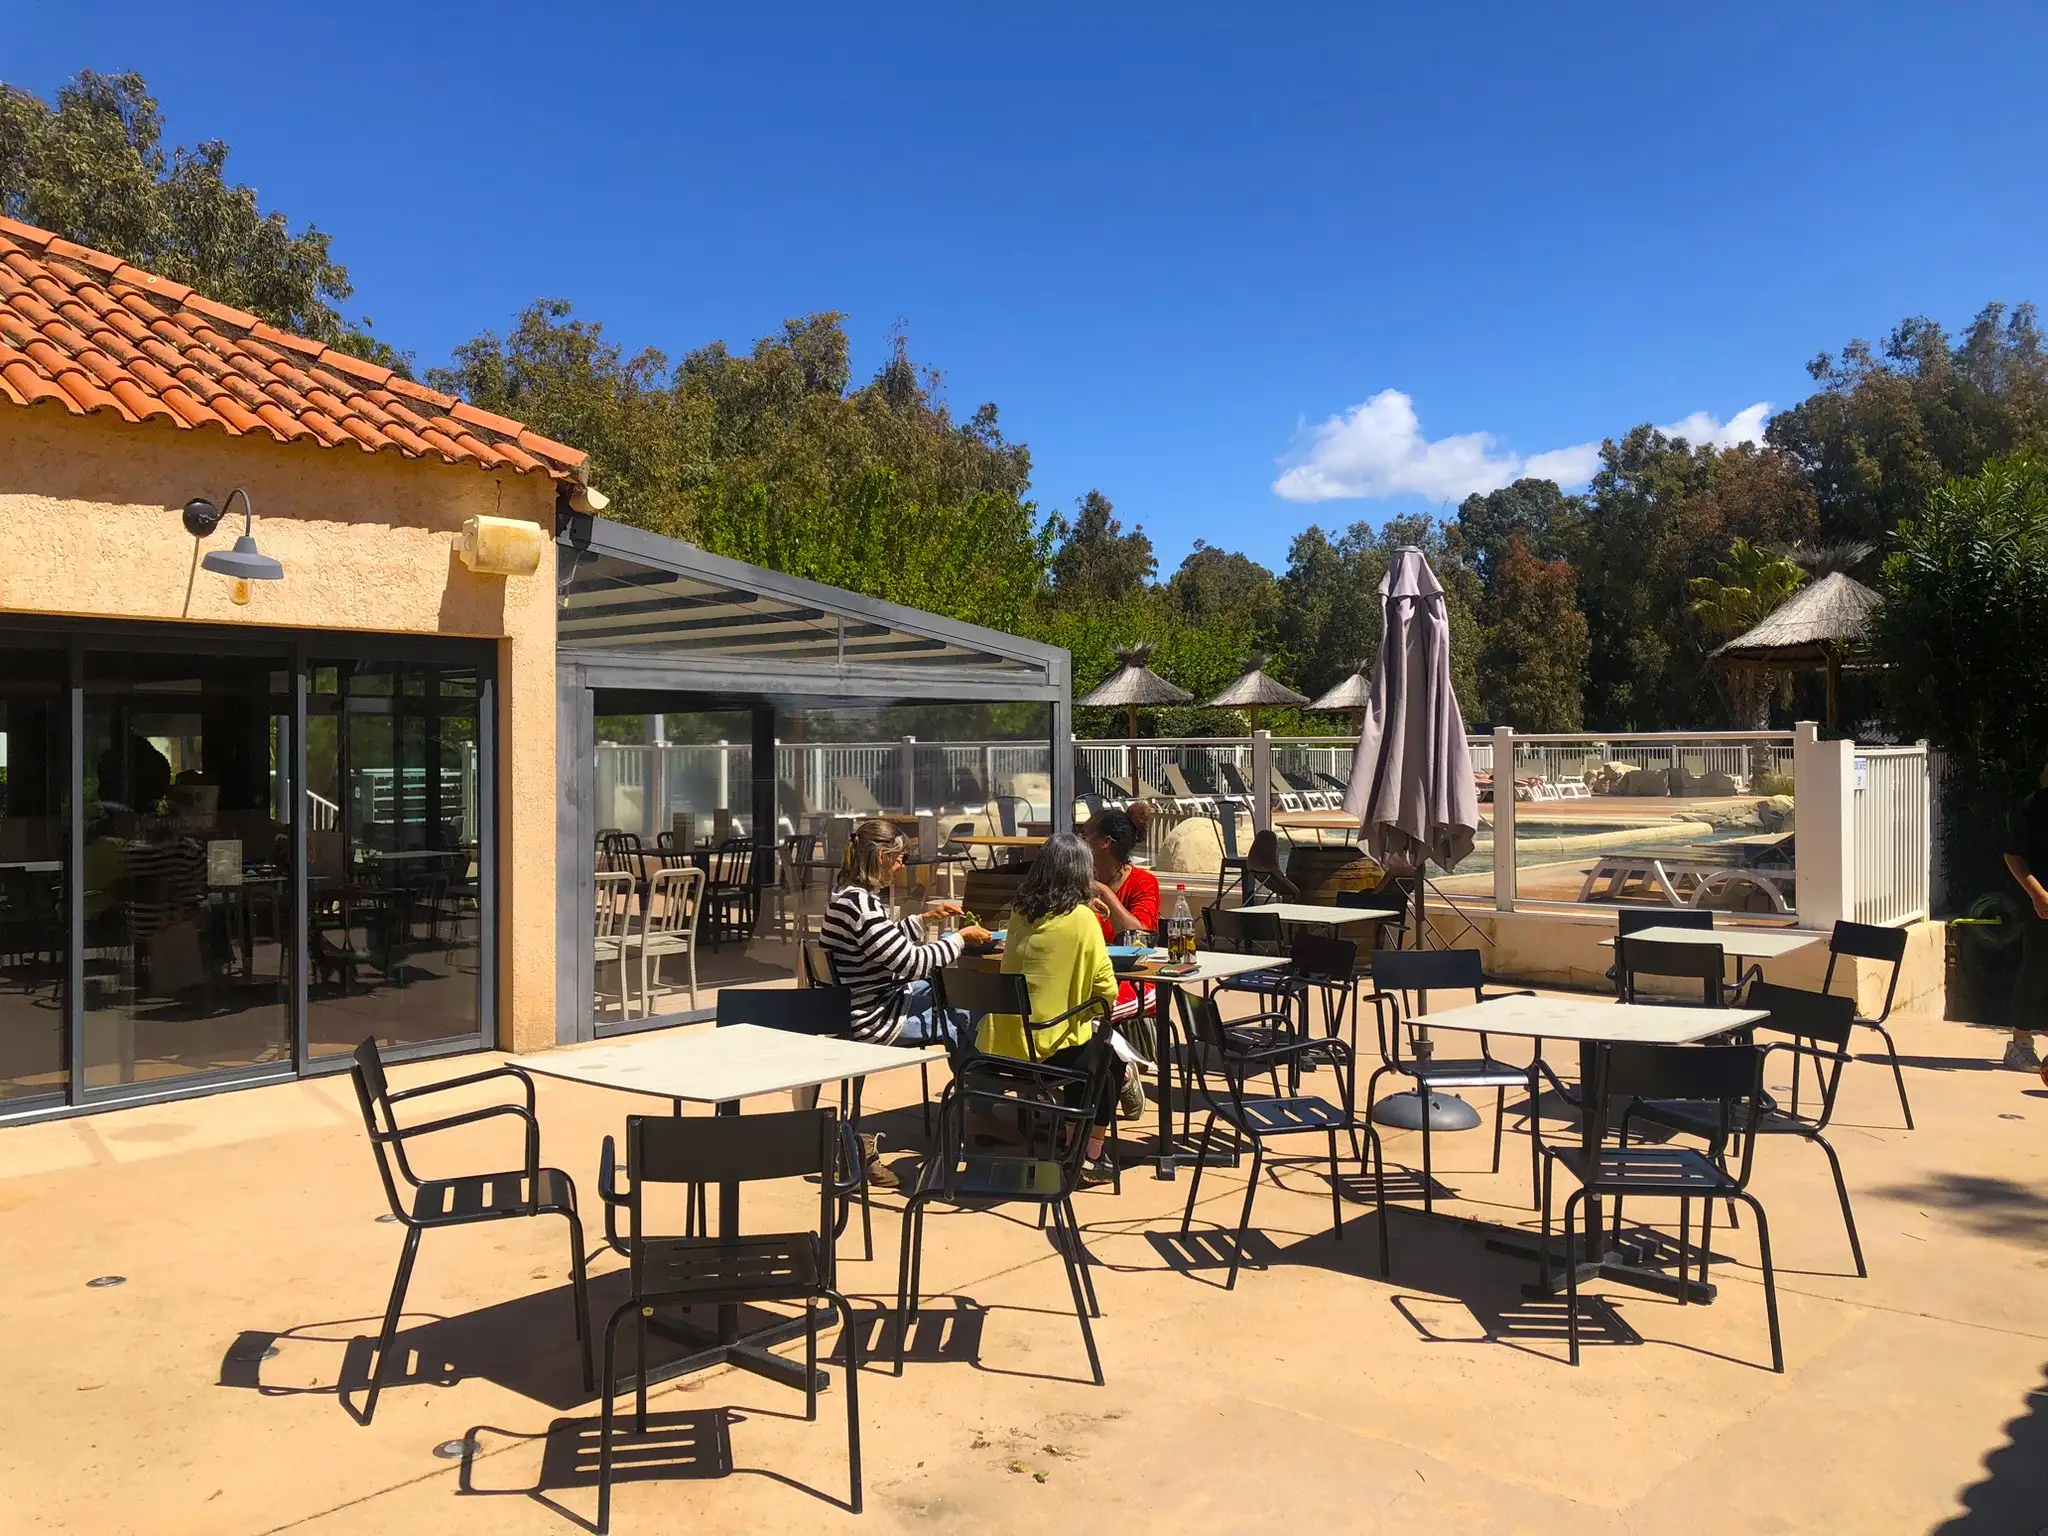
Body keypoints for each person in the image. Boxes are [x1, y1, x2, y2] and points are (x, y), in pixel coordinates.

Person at [820, 819, 989, 1188]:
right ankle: (976, 1108)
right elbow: (910, 963)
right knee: (967, 1012)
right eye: (899, 858)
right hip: (876, 1017)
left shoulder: (845, 895)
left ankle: (975, 1106)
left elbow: (881, 945)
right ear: (881, 856)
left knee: (956, 997)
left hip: (868, 1002)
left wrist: (922, 920)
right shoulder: (861, 905)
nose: (901, 866)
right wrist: (960, 939)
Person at [980, 831, 1124, 1184]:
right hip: (1043, 1053)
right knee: (1108, 1057)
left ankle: (1073, 1142)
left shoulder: (1019, 913)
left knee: (1084, 1047)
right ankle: (1089, 1152)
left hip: (999, 1048)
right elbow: (1107, 991)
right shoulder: (1083, 920)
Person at [1082, 804, 1159, 1121]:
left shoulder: (1142, 882)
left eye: (1086, 836)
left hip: (1137, 981)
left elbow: (1141, 936)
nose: (1081, 843)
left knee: (1089, 1018)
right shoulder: (1079, 882)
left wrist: (1103, 893)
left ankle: (1121, 1069)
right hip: (1089, 978)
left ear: (1104, 843)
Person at [2002, 772, 2048, 1071]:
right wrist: (2038, 894)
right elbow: (2013, 855)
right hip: (2043, 903)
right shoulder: (2032, 808)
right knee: (2037, 967)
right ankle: (2019, 1044)